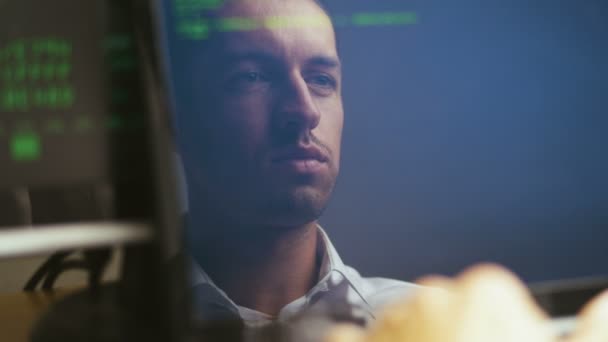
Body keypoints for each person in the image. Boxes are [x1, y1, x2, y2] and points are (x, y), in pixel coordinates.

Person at [173, 0, 420, 327]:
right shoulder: (90, 327)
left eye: (321, 79)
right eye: (252, 76)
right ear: (176, 119)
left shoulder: (447, 327)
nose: (305, 111)